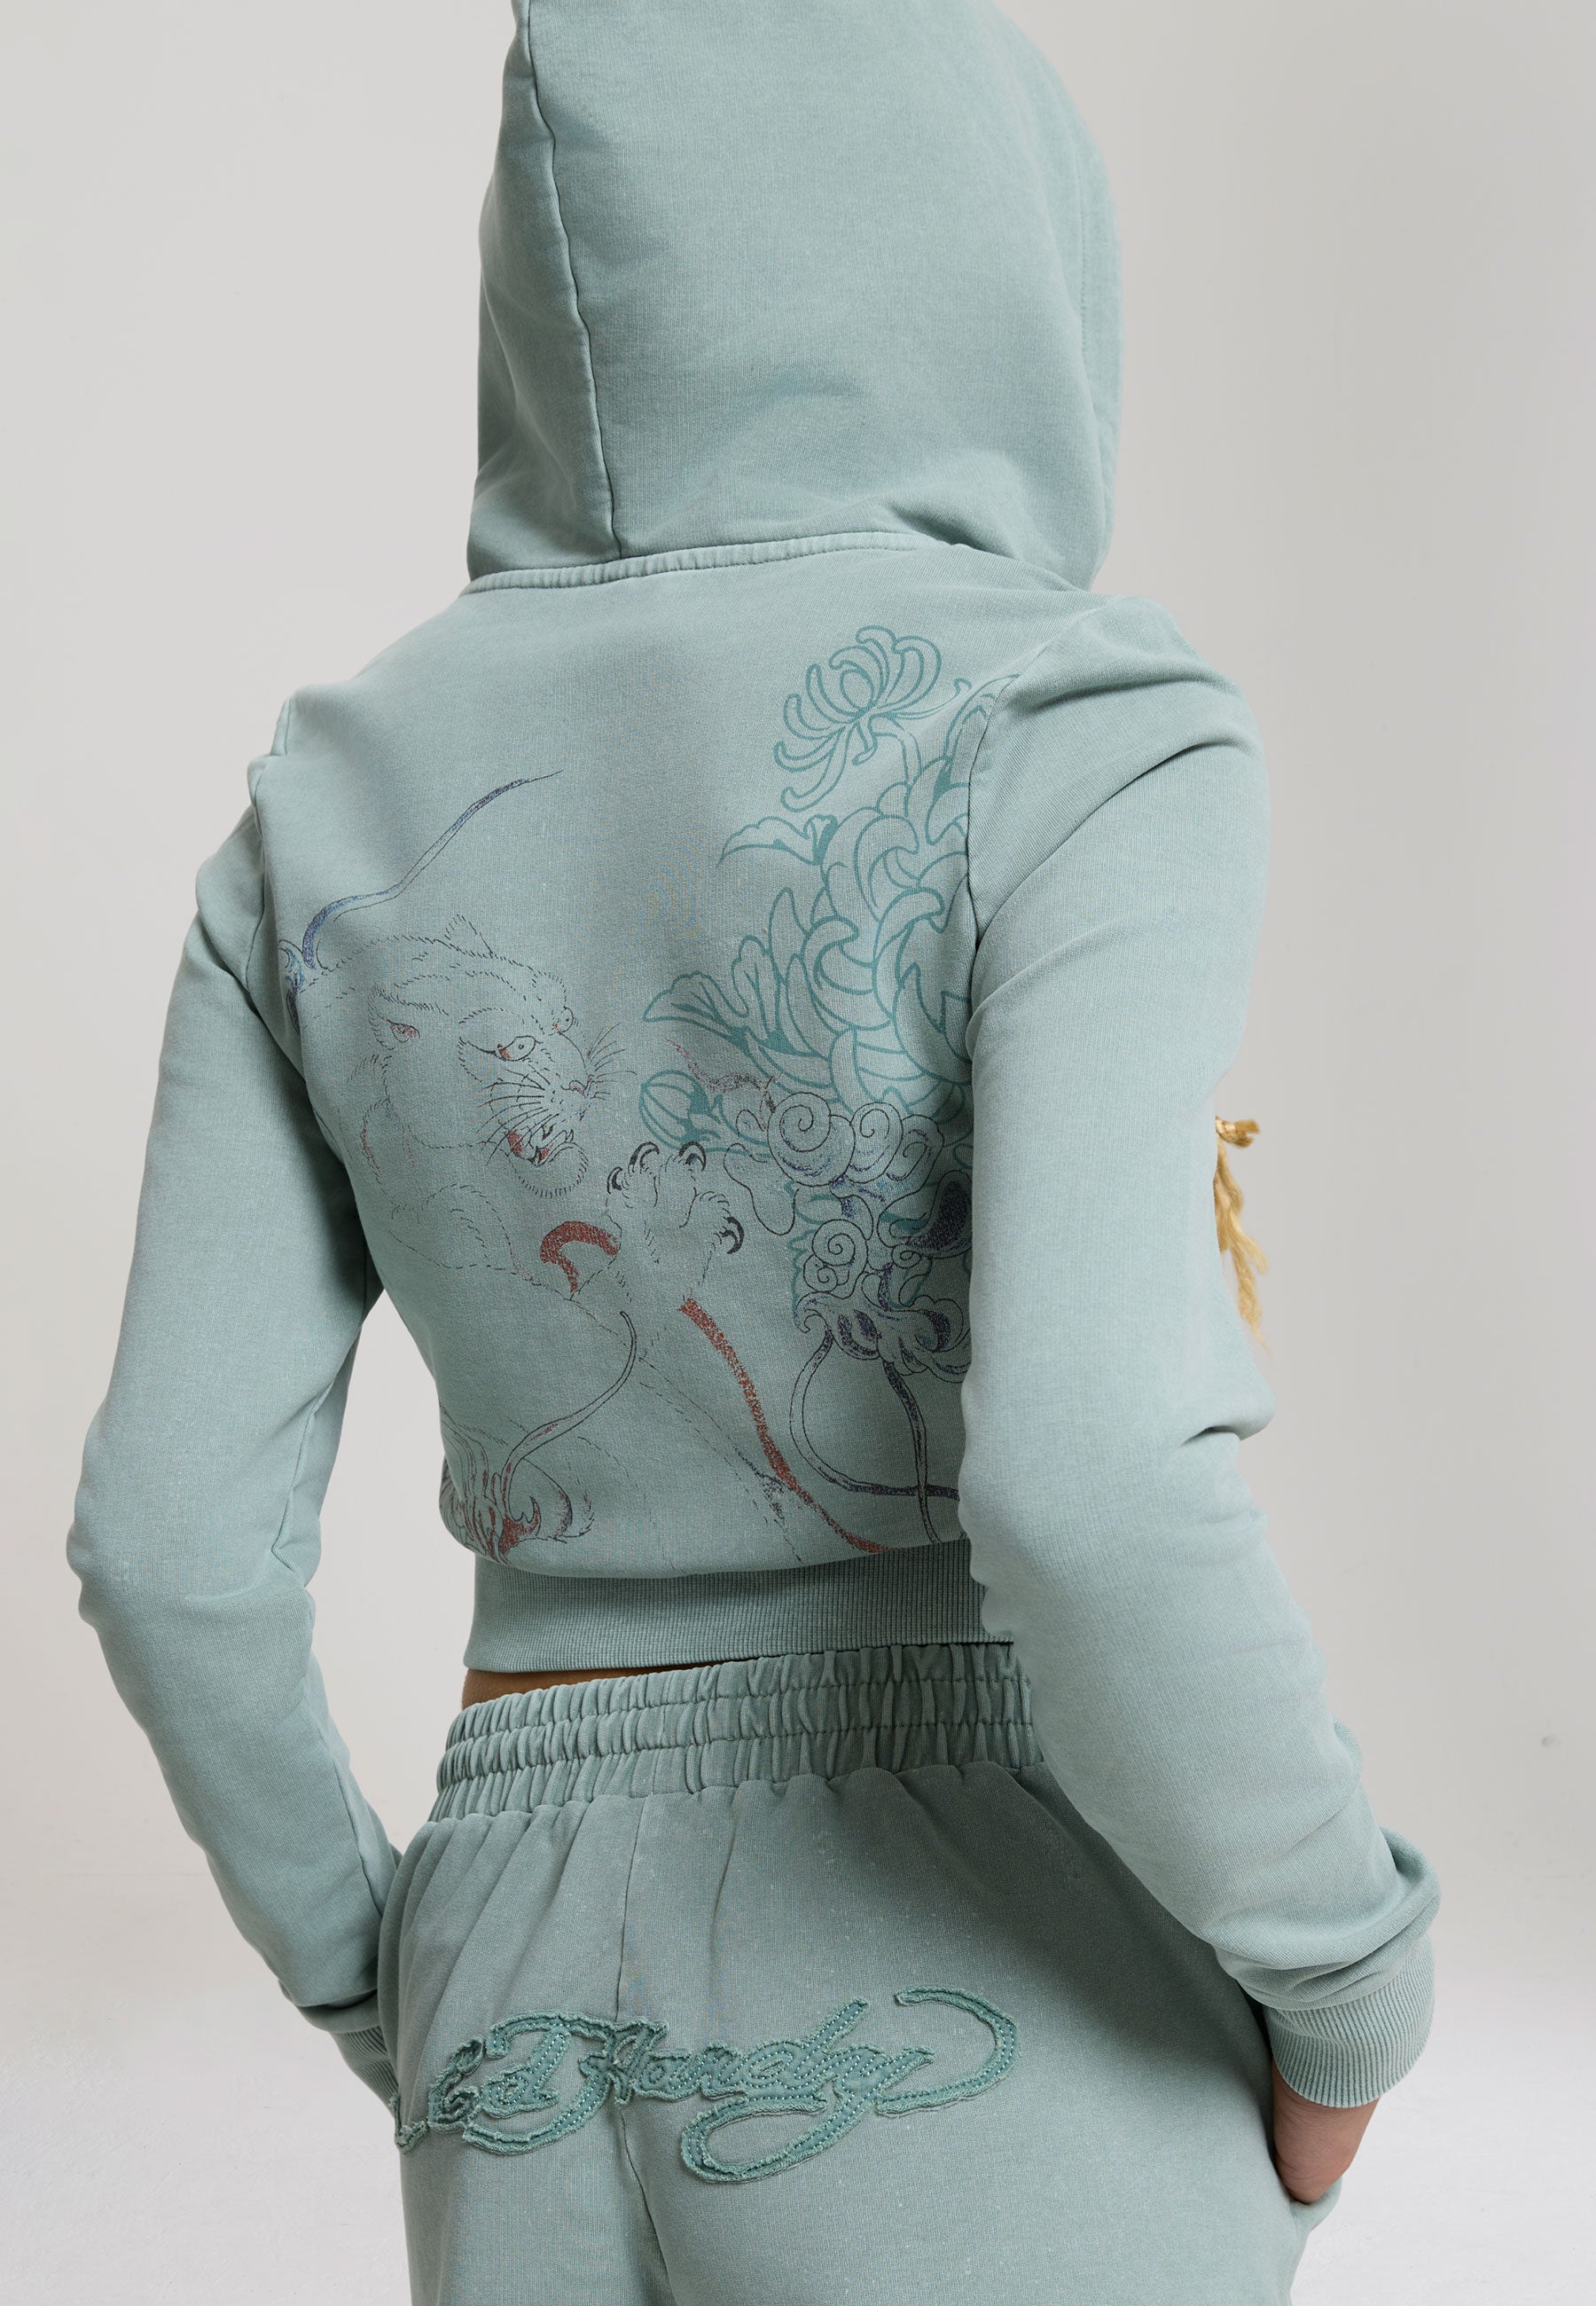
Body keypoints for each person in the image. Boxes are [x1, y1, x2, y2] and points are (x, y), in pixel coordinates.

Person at [67, 3, 1438, 2300]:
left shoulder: (317, 814)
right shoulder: (1085, 727)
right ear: (1008, 254)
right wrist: (1349, 1978)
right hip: (999, 1945)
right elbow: (1091, 1480)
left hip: (514, 1966)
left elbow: (169, 1548)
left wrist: (391, 1980)